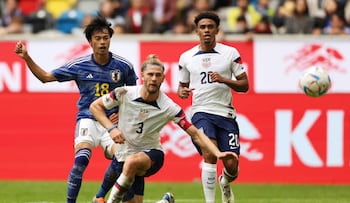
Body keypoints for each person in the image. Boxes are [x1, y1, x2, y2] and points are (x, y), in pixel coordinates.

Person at [14, 15, 138, 203]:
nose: (102, 42)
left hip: (111, 123)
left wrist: (121, 116)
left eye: (105, 37)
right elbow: (46, 77)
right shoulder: (79, 65)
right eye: (97, 38)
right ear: (90, 42)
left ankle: (101, 197)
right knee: (81, 160)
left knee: (124, 161)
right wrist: (27, 57)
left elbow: (133, 96)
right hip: (88, 118)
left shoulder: (124, 66)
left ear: (110, 39)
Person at [89, 54, 239, 203]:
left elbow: (195, 133)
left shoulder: (169, 107)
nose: (154, 78)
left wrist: (217, 153)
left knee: (131, 161)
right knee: (122, 161)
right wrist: (111, 129)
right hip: (125, 156)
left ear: (163, 78)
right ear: (142, 76)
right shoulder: (124, 93)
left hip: (151, 155)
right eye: (150, 74)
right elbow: (95, 107)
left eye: (158, 75)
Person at [177, 11, 249, 203]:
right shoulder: (186, 57)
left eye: (210, 27)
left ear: (217, 29)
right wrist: (182, 92)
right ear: (196, 31)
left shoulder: (230, 53)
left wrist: (224, 80)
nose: (207, 30)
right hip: (201, 112)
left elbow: (245, 85)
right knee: (209, 154)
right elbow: (182, 87)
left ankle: (224, 182)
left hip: (226, 114)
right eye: (203, 27)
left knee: (232, 164)